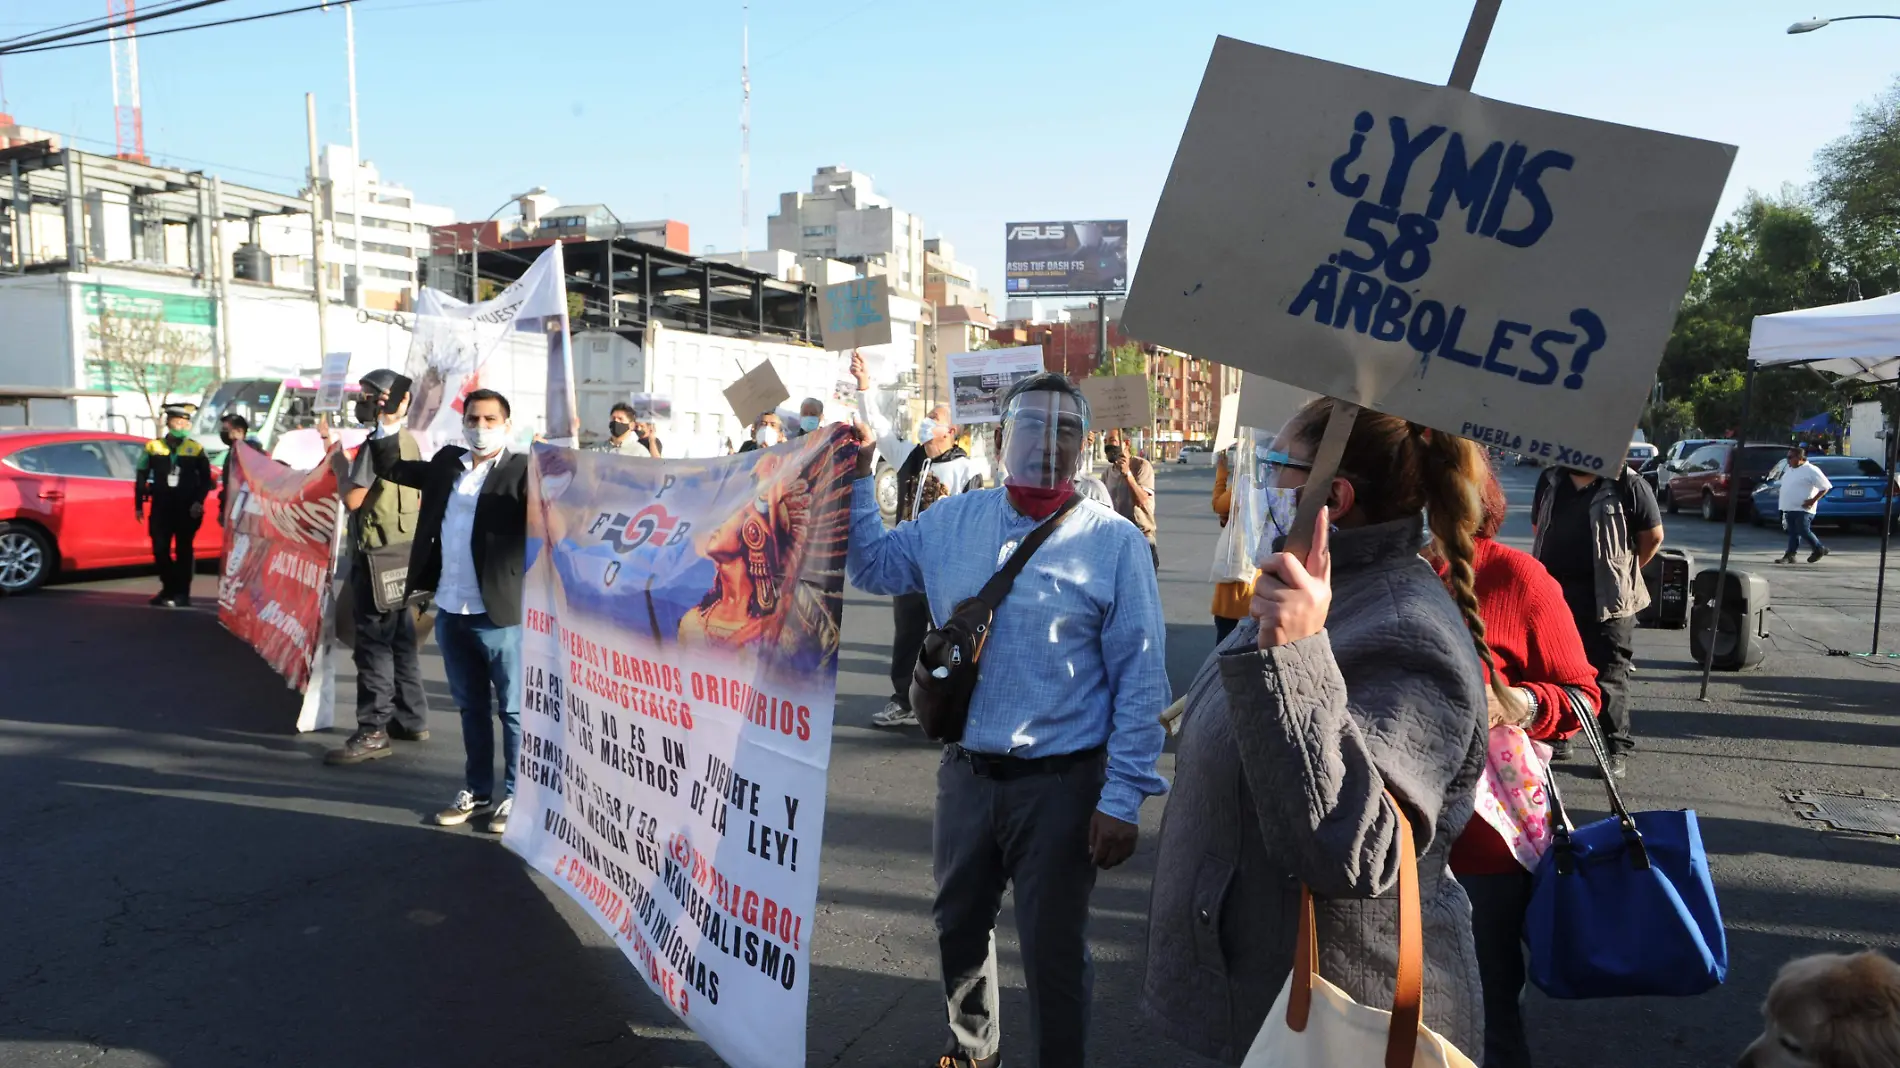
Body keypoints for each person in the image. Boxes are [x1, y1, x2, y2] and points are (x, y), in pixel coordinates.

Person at [1144, 399, 1489, 1064]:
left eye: (1276, 465)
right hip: (1257, 997)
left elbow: (1351, 852)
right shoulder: (1308, 584)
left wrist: (1294, 655)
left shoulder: (1403, 626)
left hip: (1330, 1022)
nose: (1260, 483)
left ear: (1332, 494)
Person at [846, 372, 1170, 1068]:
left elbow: (1141, 679)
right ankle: (970, 1053)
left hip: (1061, 786)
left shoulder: (1112, 544)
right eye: (1032, 428)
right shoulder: (952, 523)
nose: (1047, 446)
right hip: (966, 776)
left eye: (1065, 432)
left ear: (1082, 446)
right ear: (1001, 439)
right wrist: (855, 468)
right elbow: (873, 566)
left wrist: (1122, 798)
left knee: (1053, 952)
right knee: (958, 930)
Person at [1444, 468, 1600, 1068]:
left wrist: (1520, 703)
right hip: (1362, 838)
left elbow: (1584, 696)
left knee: (1480, 1019)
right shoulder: (1341, 574)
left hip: (1482, 848)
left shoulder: (1513, 577)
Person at [370, 387, 530, 833]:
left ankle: (518, 796)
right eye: (473, 419)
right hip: (451, 607)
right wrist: (388, 424)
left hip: (501, 613)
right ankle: (478, 792)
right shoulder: (448, 465)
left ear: (507, 425)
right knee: (470, 707)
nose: (480, 428)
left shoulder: (524, 471)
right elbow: (392, 468)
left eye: (490, 420)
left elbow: (565, 505)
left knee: (514, 711)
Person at [851, 354, 984, 730]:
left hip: (946, 564)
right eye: (928, 419)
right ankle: (902, 698)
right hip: (908, 558)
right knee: (907, 629)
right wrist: (864, 385)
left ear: (951, 432)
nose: (927, 426)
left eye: (936, 421)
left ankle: (947, 696)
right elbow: (876, 427)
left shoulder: (965, 468)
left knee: (948, 632)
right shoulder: (910, 457)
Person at [322, 370, 433, 766]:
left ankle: (372, 731)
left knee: (374, 646)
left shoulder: (375, 446)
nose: (361, 401)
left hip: (376, 556)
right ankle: (412, 718)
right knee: (402, 640)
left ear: (386, 399)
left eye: (368, 395)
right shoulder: (410, 442)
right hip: (406, 554)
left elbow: (352, 499)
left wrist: (337, 463)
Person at [1531, 458, 1664, 778]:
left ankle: (1614, 749)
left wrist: (1621, 575)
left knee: (1609, 674)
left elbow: (1653, 536)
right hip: (1554, 594)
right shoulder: (1550, 480)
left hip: (1609, 599)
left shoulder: (1627, 484)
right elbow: (1539, 527)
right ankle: (1560, 736)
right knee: (1556, 668)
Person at [135, 404, 214, 608]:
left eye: (185, 422)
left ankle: (182, 593)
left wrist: (198, 501)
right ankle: (168, 587)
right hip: (161, 508)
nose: (181, 426)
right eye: (177, 422)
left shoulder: (195, 449)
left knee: (184, 550)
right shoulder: (153, 447)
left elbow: (206, 479)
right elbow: (141, 474)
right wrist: (138, 505)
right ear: (168, 423)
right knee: (160, 549)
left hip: (186, 509)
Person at [1209, 439, 1255, 642]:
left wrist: (1221, 473)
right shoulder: (1271, 482)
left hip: (1236, 572)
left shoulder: (1245, 481)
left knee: (1226, 639)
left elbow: (1219, 505)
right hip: (1258, 574)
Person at [1102, 427, 1158, 568]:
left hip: (1141, 539)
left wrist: (1127, 474)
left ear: (1125, 443)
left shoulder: (1141, 466)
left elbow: (1142, 501)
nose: (1108, 445)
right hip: (1116, 541)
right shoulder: (1107, 473)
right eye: (1105, 441)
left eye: (1112, 440)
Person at [1777, 445, 1832, 564]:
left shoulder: (1811, 470)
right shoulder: (1790, 470)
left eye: (1790, 457)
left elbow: (1825, 487)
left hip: (1804, 507)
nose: (1788, 460)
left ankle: (1818, 548)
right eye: (1787, 457)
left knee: (1803, 529)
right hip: (1789, 507)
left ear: (1799, 457)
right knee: (1793, 532)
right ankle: (1790, 555)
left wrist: (1812, 501)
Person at [216, 413, 261, 526]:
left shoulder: (248, 452)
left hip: (243, 509)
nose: (223, 433)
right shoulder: (233, 452)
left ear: (240, 431)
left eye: (226, 429)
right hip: (234, 508)